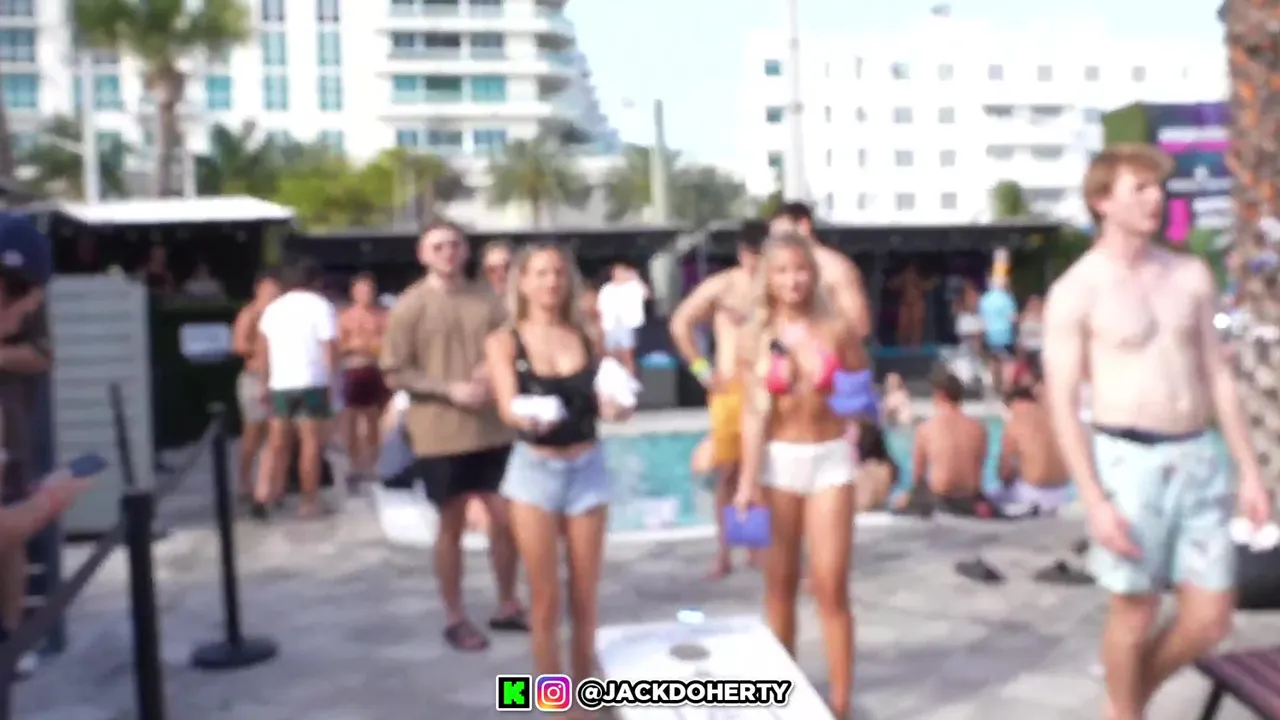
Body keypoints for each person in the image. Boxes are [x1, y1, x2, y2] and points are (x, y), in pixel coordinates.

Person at [1043, 144, 1270, 720]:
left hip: (1197, 454)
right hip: (1127, 460)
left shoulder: (1189, 275)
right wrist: (1094, 500)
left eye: (1157, 187)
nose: (1156, 198)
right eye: (1139, 188)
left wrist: (1249, 472)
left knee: (1211, 616)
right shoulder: (1077, 289)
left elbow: (1218, 377)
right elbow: (1062, 404)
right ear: (1102, 201)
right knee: (1134, 610)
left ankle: (1125, 703)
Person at [485, 242, 632, 690]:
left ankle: (586, 695)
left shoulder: (587, 336)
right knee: (545, 599)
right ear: (523, 282)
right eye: (541, 273)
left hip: (587, 467)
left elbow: (610, 396)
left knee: (585, 597)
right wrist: (525, 416)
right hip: (535, 472)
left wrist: (617, 408)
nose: (551, 281)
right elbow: (507, 405)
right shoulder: (504, 341)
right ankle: (554, 702)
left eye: (558, 273)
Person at [735, 233, 867, 720]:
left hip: (829, 459)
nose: (793, 280)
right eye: (783, 271)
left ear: (813, 274)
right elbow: (753, 415)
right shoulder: (754, 336)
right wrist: (747, 481)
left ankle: (841, 705)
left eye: (801, 269)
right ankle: (784, 699)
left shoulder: (837, 330)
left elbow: (861, 397)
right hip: (779, 463)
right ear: (767, 279)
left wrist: (835, 388)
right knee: (780, 587)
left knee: (831, 586)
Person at [380, 222, 524, 652]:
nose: (447, 252)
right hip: (439, 433)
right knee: (451, 525)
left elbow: (512, 342)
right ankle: (455, 616)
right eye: (438, 246)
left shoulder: (488, 300)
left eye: (454, 245)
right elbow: (394, 371)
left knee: (505, 521)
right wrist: (450, 389)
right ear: (423, 254)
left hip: (493, 428)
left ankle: (508, 603)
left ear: (465, 251)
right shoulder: (410, 306)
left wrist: (490, 370)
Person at [669, 220, 766, 578]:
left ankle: (754, 547)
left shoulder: (776, 287)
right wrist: (702, 370)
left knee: (760, 470)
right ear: (742, 253)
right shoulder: (723, 286)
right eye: (753, 254)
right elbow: (680, 322)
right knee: (727, 471)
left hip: (764, 386)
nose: (758, 262)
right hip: (729, 386)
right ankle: (725, 551)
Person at [0, 213, 60, 675]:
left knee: (12, 537)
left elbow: (43, 354)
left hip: (12, 429)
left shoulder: (27, 299)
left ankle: (9, 635)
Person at [254, 256, 340, 519]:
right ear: (315, 280)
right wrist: (332, 382)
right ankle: (308, 501)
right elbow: (329, 347)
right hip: (312, 381)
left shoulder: (274, 309)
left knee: (276, 442)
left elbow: (263, 351)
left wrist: (264, 383)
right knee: (310, 444)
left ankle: (266, 493)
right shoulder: (321, 306)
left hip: (280, 382)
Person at [768, 202, 872, 339]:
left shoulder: (835, 268)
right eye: (776, 238)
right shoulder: (775, 271)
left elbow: (859, 325)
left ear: (804, 225)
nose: (782, 243)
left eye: (785, 235)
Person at [896, 368, 988, 516]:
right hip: (971, 501)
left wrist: (906, 498)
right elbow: (978, 471)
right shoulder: (979, 429)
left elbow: (917, 478)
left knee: (900, 504)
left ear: (940, 394)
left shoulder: (926, 429)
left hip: (940, 501)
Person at [231, 270, 282, 504]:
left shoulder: (281, 314)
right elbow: (238, 345)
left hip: (278, 378)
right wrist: (262, 349)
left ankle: (271, 484)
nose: (273, 293)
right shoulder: (250, 313)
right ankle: (244, 479)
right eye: (268, 288)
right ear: (258, 289)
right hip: (254, 377)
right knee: (252, 432)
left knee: (276, 435)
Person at [338, 273, 389, 492]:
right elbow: (337, 345)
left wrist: (374, 345)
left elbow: (390, 341)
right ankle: (354, 463)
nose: (365, 294)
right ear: (353, 293)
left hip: (375, 369)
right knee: (350, 419)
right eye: (361, 290)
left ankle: (373, 463)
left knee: (374, 419)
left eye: (369, 290)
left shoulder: (383, 315)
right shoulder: (345, 317)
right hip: (353, 370)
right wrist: (354, 345)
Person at [993, 379, 1070, 515]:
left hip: (1031, 496)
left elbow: (1004, 474)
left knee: (990, 498)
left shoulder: (1015, 422)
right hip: (1062, 494)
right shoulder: (1053, 417)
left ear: (1010, 404)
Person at [596, 263, 648, 374]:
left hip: (626, 325)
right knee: (610, 356)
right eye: (616, 272)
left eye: (621, 271)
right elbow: (600, 308)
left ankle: (630, 377)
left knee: (627, 355)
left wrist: (636, 277)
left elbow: (646, 295)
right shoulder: (607, 288)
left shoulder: (633, 286)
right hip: (609, 326)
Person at [978, 273, 1018, 394]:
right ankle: (1006, 387)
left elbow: (982, 319)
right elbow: (1013, 318)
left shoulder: (984, 299)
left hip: (990, 335)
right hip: (1006, 334)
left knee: (993, 360)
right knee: (1008, 362)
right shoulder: (1007, 298)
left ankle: (994, 386)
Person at [853, 420, 897, 513]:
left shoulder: (866, 470)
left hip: (866, 515)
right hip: (883, 511)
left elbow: (863, 502)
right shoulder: (888, 467)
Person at [888, 263, 936, 346]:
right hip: (905, 305)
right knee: (903, 327)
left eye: (912, 272)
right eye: (908, 271)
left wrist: (932, 281)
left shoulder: (919, 282)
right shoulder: (902, 280)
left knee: (916, 327)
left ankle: (915, 345)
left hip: (916, 305)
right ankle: (902, 346)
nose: (910, 274)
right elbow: (891, 284)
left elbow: (929, 285)